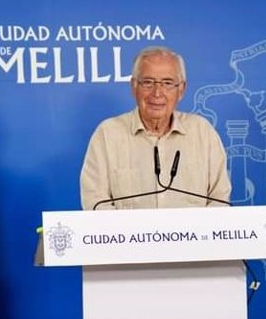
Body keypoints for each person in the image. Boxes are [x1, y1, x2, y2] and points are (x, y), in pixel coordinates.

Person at [80, 46, 231, 210]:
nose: (157, 93)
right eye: (148, 82)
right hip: (129, 235)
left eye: (167, 83)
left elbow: (220, 200)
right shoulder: (107, 134)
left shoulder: (203, 132)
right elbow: (95, 202)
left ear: (181, 89)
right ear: (133, 86)